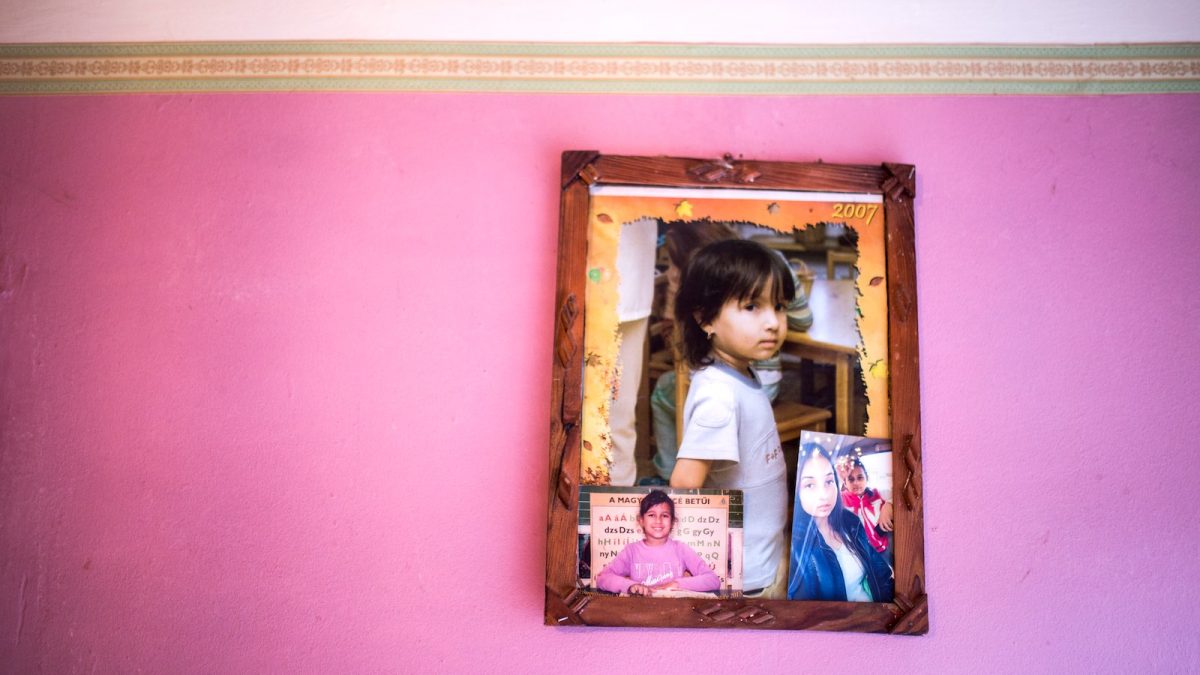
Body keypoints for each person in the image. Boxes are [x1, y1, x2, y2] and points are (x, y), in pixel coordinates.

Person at [668, 239, 794, 596]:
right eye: (752, 306)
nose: (773, 322)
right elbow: (684, 483)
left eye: (779, 307)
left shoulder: (739, 376)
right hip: (743, 576)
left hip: (760, 558)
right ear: (705, 318)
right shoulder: (719, 395)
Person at [788, 443, 893, 602]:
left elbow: (882, 575)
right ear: (795, 492)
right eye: (810, 485)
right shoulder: (796, 548)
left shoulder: (850, 522)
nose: (824, 495)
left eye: (829, 481)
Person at [595, 490, 721, 596]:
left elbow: (713, 580)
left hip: (675, 611)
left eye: (665, 515)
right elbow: (602, 578)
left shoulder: (681, 549)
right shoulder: (631, 551)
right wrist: (631, 586)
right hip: (639, 610)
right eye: (651, 515)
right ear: (641, 520)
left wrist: (677, 584)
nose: (658, 521)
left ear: (672, 522)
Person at [842, 458, 894, 553]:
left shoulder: (878, 494)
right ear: (845, 483)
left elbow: (899, 496)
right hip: (860, 555)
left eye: (860, 477)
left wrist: (888, 505)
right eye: (851, 479)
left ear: (867, 479)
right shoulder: (841, 500)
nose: (856, 483)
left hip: (884, 549)